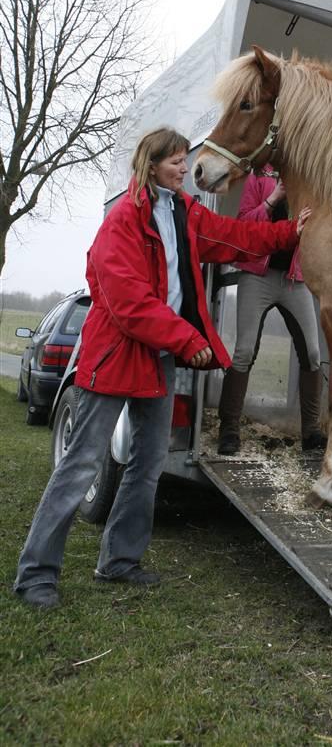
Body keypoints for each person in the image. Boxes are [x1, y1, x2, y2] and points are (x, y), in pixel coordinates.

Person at [14, 128, 310, 610]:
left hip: (158, 361)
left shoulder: (183, 212)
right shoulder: (122, 221)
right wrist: (187, 339)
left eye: (182, 157)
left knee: (147, 465)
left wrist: (289, 231)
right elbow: (130, 302)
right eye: (174, 159)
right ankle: (36, 574)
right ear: (151, 165)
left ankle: (119, 561)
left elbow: (236, 238)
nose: (183, 165)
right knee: (80, 466)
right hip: (114, 359)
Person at [217, 165, 327, 455]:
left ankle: (311, 432)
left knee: (313, 354)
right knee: (244, 351)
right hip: (257, 275)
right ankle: (228, 430)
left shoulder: (310, 176)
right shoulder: (259, 176)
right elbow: (243, 224)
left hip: (295, 280)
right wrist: (273, 198)